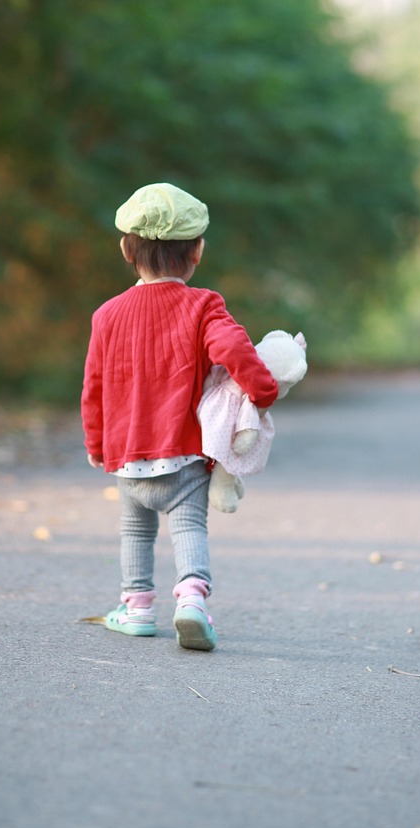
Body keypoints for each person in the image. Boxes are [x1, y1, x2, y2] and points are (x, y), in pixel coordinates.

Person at [81, 182, 279, 651]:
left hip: (128, 456)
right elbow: (233, 348)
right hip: (185, 454)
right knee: (188, 527)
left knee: (135, 529)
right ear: (197, 252)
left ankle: (136, 608)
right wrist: (262, 390)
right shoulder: (203, 305)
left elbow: (94, 388)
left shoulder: (106, 315)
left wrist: (97, 445)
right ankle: (191, 600)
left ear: (126, 250)